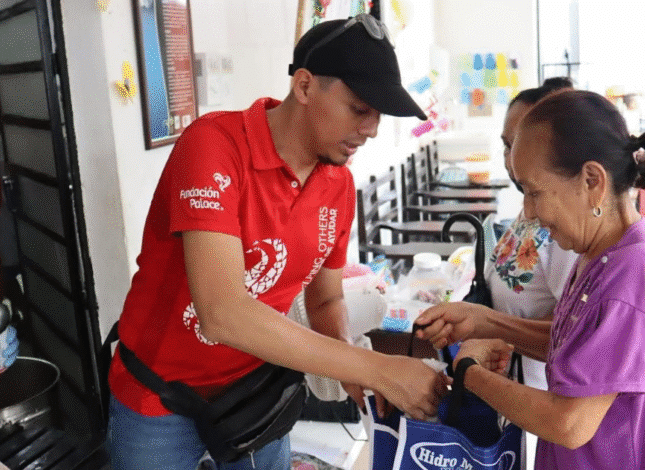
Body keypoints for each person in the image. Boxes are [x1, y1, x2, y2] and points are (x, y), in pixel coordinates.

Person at [107, 14, 448, 470]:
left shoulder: (338, 186)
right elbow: (222, 313)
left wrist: (349, 363)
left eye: (378, 114)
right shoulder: (214, 147)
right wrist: (376, 368)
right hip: (159, 397)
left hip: (254, 393)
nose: (371, 129)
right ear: (305, 87)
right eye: (360, 107)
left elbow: (325, 299)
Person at [417, 90, 645, 469]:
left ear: (591, 180)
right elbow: (582, 347)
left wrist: (468, 372)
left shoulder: (632, 273)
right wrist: (484, 321)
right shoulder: (604, 252)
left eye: (534, 192)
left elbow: (569, 422)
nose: (529, 212)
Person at [495, 80, 578, 470]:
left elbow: (571, 326)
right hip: (516, 378)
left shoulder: (565, 229)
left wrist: (494, 330)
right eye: (506, 145)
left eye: (519, 145)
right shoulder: (532, 206)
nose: (511, 159)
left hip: (541, 387)